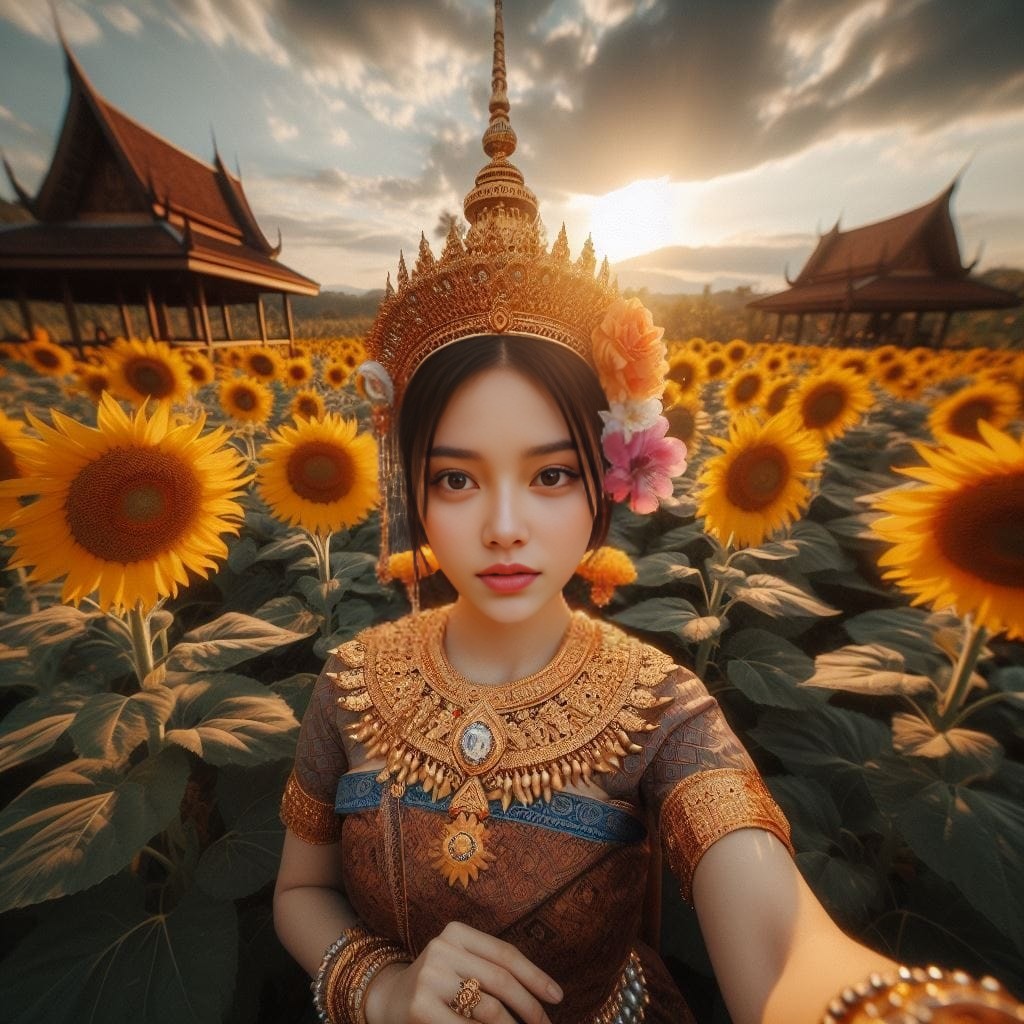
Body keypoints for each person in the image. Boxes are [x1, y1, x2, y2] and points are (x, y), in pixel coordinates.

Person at [273, 4, 1023, 1022]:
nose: (502, 525)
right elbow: (299, 892)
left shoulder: (658, 707)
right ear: (409, 486)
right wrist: (383, 985)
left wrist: (877, 1004)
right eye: (455, 479)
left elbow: (778, 932)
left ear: (611, 476)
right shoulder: (353, 683)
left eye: (548, 476)